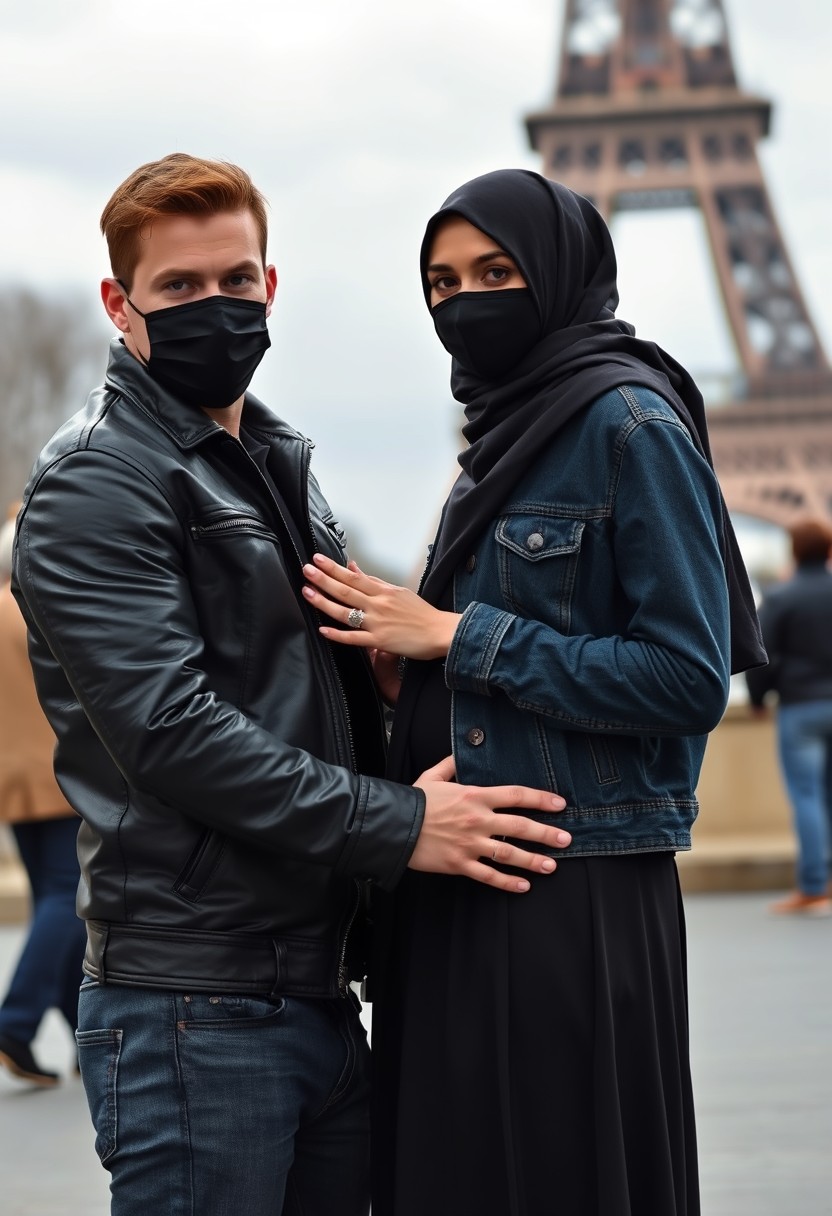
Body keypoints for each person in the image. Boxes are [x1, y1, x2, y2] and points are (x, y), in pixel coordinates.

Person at [10, 155, 572, 1216]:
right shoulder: (98, 476)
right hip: (194, 998)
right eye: (178, 289)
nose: (214, 307)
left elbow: (280, 680)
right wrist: (402, 823)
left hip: (302, 981)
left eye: (235, 280)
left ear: (272, 284)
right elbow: (170, 733)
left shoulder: (268, 460)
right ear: (117, 304)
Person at [301, 168, 766, 1216]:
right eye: (440, 281)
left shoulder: (628, 423)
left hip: (569, 886)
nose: (463, 302)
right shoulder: (503, 434)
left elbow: (687, 676)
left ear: (560, 273)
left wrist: (458, 633)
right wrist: (409, 660)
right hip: (458, 872)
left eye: (495, 271)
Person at [0, 507, 87, 1086]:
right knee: (68, 898)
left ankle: (80, 1029)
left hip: (11, 781)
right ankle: (16, 1020)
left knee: (51, 900)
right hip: (58, 772)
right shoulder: (32, 608)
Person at [746, 518, 832, 915]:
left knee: (808, 797)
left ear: (794, 550)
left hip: (800, 707)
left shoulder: (782, 596)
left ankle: (815, 887)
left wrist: (760, 699)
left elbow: (759, 655)